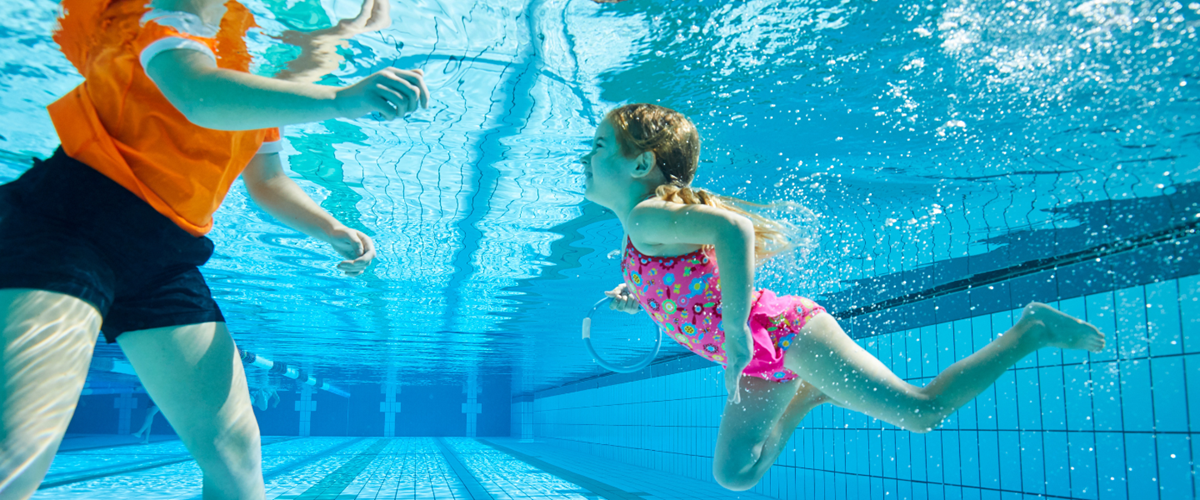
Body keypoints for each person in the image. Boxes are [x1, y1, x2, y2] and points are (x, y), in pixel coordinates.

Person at [0, 0, 429, 498]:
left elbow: (268, 181)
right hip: (70, 225)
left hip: (164, 256)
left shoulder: (248, 87)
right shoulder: (156, 28)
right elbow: (198, 95)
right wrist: (337, 100)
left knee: (235, 454)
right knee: (19, 445)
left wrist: (332, 229)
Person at [584, 103, 1106, 491]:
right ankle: (809, 394)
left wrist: (739, 328)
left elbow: (735, 229)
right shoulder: (641, 225)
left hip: (783, 333)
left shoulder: (646, 216)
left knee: (922, 413)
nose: (589, 156)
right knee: (734, 474)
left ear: (640, 164)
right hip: (763, 363)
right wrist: (636, 292)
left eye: (600, 145)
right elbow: (682, 277)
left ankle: (1032, 329)